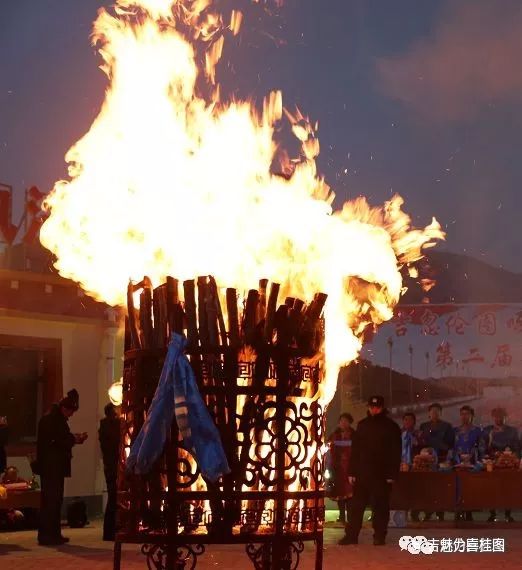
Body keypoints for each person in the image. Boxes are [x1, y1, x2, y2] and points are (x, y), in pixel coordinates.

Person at [339, 395, 402, 546]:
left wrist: (392, 474)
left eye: (377, 407)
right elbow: (356, 451)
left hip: (381, 475)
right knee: (356, 507)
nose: (374, 409)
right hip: (362, 474)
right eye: (372, 407)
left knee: (380, 506)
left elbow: (395, 452)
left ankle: (379, 536)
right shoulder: (362, 425)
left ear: (382, 408)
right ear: (368, 407)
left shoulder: (391, 426)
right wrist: (352, 472)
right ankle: (351, 536)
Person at [36, 389, 88, 546]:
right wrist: (75, 439)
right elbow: (60, 440)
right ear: (65, 408)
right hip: (53, 467)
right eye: (71, 412)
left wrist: (72, 438)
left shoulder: (50, 419)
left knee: (50, 501)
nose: (71, 415)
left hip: (49, 467)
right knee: (53, 501)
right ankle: (50, 535)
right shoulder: (55, 421)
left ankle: (48, 534)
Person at [418, 403, 454, 522]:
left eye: (437, 411)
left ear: (441, 413)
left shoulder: (447, 426)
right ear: (429, 414)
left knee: (440, 487)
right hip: (426, 462)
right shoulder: (423, 426)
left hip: (441, 462)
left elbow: (450, 444)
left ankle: (440, 513)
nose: (435, 414)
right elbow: (420, 443)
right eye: (432, 411)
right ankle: (427, 512)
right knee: (426, 488)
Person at [483, 407, 519, 523]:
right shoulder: (488, 430)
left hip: (508, 463)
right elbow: (483, 448)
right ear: (493, 417)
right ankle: (492, 514)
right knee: (492, 490)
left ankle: (508, 514)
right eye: (496, 416)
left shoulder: (512, 431)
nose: (499, 419)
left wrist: (510, 455)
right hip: (493, 463)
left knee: (507, 490)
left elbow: (517, 448)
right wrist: (493, 454)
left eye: (501, 416)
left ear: (505, 417)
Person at [451, 405, 484, 522]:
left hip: (472, 464)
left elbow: (481, 447)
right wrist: (456, 458)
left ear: (472, 416)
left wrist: (474, 457)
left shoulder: (477, 431)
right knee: (458, 487)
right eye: (462, 414)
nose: (464, 416)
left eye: (467, 414)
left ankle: (469, 512)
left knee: (471, 487)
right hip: (458, 464)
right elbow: (452, 448)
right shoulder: (455, 431)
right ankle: (458, 512)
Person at [98, 402, 121, 540]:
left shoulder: (104, 426)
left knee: (113, 498)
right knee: (113, 498)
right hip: (113, 467)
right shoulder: (112, 426)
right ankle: (110, 531)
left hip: (110, 466)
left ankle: (109, 531)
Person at [326, 413, 355, 524]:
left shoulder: (354, 435)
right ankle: (342, 516)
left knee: (350, 494)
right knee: (340, 494)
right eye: (341, 420)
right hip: (337, 469)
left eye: (346, 421)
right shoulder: (334, 435)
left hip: (350, 469)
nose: (343, 423)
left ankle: (351, 517)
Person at [401, 412, 422, 522]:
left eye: (410, 420)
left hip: (415, 464)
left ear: (414, 422)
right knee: (402, 489)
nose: (408, 422)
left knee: (415, 489)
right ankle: (402, 512)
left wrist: (416, 441)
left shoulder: (418, 433)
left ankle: (415, 513)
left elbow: (423, 446)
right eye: (406, 420)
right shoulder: (399, 433)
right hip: (402, 464)